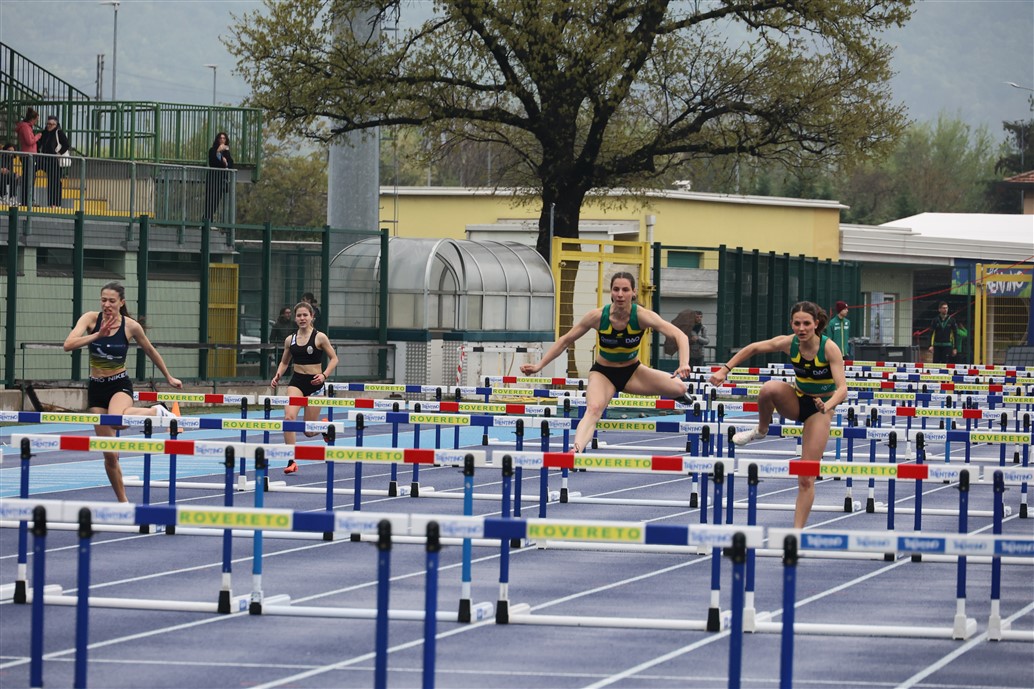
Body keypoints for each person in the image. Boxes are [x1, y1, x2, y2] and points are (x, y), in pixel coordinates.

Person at [708, 301, 848, 528]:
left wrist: (827, 405)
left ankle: (796, 533)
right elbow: (753, 348)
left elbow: (843, 389)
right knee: (768, 389)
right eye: (797, 324)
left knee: (806, 477)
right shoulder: (789, 343)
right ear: (791, 324)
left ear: (816, 324)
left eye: (806, 324)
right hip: (796, 400)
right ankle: (761, 429)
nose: (801, 329)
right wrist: (725, 369)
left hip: (820, 409)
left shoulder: (829, 348)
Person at [520, 272, 692, 454]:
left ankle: (676, 394)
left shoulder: (642, 316)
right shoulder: (597, 316)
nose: (620, 294)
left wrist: (684, 363)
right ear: (611, 292)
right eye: (616, 289)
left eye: (625, 290)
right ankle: (575, 450)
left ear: (633, 292)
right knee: (593, 409)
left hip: (633, 372)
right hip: (604, 373)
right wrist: (539, 366)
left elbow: (679, 335)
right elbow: (565, 340)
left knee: (680, 388)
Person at [63, 282, 183, 502]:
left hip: (119, 385)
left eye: (112, 301)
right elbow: (68, 344)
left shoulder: (130, 326)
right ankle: (123, 503)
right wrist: (97, 335)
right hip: (96, 389)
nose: (107, 305)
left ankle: (156, 411)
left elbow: (150, 350)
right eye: (103, 300)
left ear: (121, 302)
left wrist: (168, 377)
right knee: (110, 454)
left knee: (117, 421)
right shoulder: (90, 318)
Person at [271, 301, 339, 473]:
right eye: (299, 315)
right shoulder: (290, 340)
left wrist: (324, 375)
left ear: (312, 317)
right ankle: (291, 460)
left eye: (305, 315)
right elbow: (284, 362)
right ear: (295, 318)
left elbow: (334, 359)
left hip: (315, 384)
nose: (302, 318)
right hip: (297, 382)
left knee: (309, 432)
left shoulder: (320, 337)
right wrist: (278, 375)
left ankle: (324, 426)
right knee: (289, 419)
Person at [37, 115, 70, 208]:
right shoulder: (44, 133)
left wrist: (58, 154)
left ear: (56, 125)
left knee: (55, 181)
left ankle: (55, 203)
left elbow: (66, 144)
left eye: (52, 124)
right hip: (45, 159)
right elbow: (39, 143)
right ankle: (51, 203)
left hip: (55, 160)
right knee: (51, 181)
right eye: (48, 124)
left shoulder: (59, 133)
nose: (49, 126)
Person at [203, 132, 234, 222]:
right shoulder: (212, 150)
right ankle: (206, 220)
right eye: (220, 138)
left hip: (221, 180)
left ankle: (208, 220)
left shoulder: (227, 152)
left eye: (224, 138)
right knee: (210, 200)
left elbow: (230, 164)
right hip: (213, 179)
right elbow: (213, 162)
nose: (222, 140)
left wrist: (226, 163)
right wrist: (218, 153)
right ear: (217, 140)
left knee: (216, 201)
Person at [15, 107, 40, 207]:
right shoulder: (25, 127)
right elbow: (29, 141)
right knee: (29, 178)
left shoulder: (27, 127)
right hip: (27, 155)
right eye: (36, 120)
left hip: (29, 155)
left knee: (30, 177)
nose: (36, 122)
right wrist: (37, 136)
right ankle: (27, 200)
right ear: (32, 119)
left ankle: (29, 200)